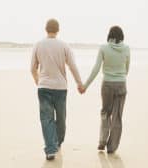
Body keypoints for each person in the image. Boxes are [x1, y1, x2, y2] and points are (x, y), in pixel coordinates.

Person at [31, 18, 84, 160]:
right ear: (58, 30)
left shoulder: (38, 45)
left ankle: (51, 148)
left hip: (44, 87)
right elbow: (72, 66)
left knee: (46, 118)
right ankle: (57, 143)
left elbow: (32, 68)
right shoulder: (64, 46)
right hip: (60, 88)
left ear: (46, 29)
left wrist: (38, 80)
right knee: (61, 118)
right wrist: (80, 83)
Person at [80, 26, 130, 154]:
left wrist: (85, 85)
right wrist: (120, 77)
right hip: (121, 84)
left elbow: (96, 69)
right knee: (117, 116)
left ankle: (102, 141)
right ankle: (112, 147)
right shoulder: (126, 49)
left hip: (107, 84)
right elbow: (127, 68)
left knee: (105, 113)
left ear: (109, 35)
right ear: (121, 36)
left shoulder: (103, 48)